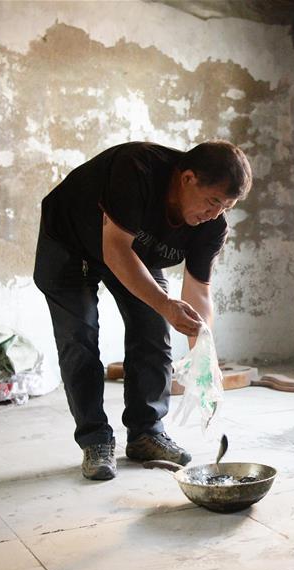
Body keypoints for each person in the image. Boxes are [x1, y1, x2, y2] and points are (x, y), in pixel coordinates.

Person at [33, 140, 252, 480]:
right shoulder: (137, 168)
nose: (215, 214)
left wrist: (203, 355)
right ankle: (95, 440)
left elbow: (198, 291)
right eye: (212, 201)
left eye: (226, 207)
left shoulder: (213, 226)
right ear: (188, 178)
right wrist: (165, 304)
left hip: (134, 252)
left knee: (153, 331)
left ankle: (146, 433)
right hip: (69, 239)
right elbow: (115, 249)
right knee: (80, 335)